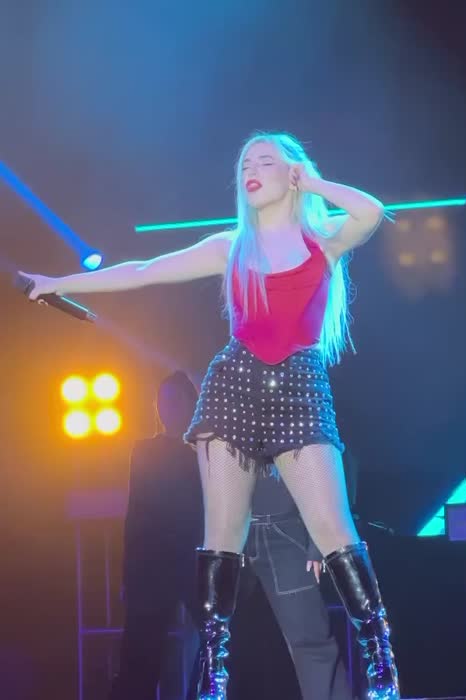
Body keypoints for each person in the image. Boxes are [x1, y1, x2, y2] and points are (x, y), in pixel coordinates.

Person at [21, 131, 400, 700]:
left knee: (334, 529)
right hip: (233, 389)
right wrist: (57, 283)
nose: (251, 169)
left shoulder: (322, 240)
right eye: (245, 163)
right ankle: (214, 674)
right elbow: (144, 270)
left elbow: (370, 211)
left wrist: (313, 182)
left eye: (267, 161)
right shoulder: (231, 246)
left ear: (293, 173)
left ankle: (382, 666)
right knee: (222, 535)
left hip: (300, 389)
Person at [110, 371, 203, 700]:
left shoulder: (205, 450)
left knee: (219, 640)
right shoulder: (145, 451)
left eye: (174, 400)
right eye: (162, 401)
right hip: (152, 563)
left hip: (194, 559)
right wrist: (129, 574)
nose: (167, 408)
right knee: (140, 654)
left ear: (191, 404)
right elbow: (135, 515)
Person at [234, 466, 353, 700]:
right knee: (226, 640)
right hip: (231, 533)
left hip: (282, 533)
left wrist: (317, 543)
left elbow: (325, 463)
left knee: (311, 641)